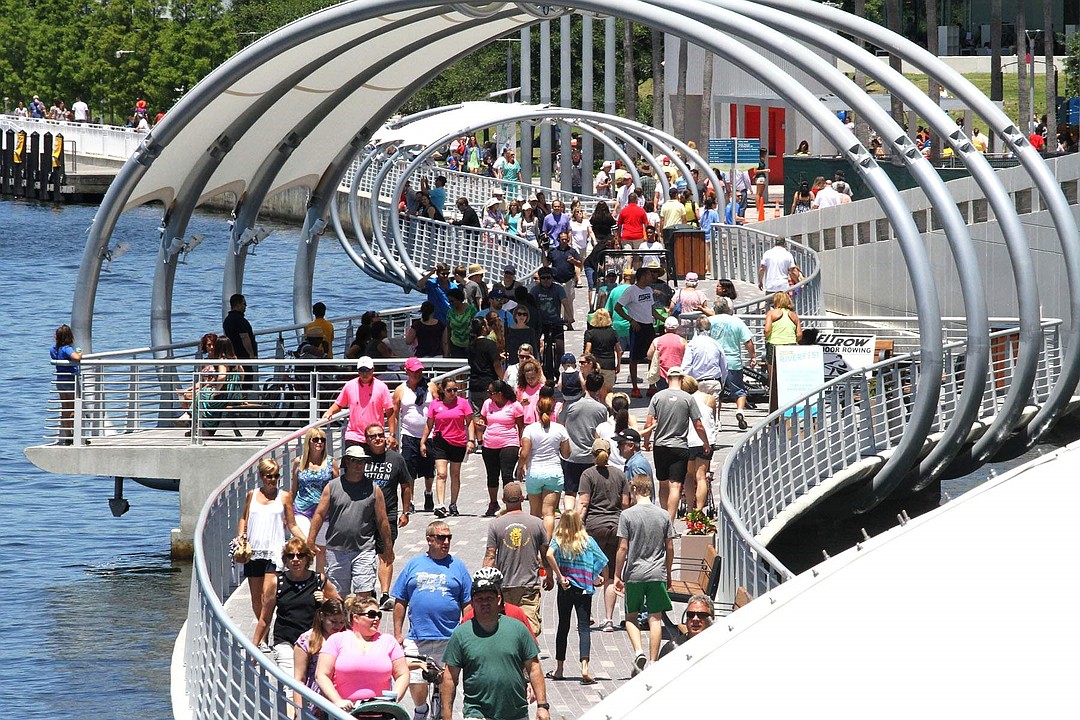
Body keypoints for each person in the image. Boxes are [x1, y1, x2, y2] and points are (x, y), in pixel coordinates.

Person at [441, 570, 550, 720]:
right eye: (479, 599)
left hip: (515, 712)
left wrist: (542, 706)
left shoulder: (517, 629)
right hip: (476, 712)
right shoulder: (461, 634)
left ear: (498, 599)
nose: (485, 603)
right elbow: (450, 677)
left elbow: (534, 667)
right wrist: (447, 716)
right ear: (472, 603)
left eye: (489, 598)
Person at [392, 520, 472, 720]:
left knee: (448, 682)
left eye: (449, 537)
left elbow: (468, 603)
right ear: (429, 539)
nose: (446, 541)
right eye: (441, 537)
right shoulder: (413, 564)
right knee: (415, 678)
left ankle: (445, 714)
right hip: (418, 637)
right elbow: (400, 600)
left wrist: (466, 630)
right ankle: (421, 709)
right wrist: (397, 633)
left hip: (449, 638)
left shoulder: (458, 566)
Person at [306, 445, 395, 597]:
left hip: (364, 550)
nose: (359, 465)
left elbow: (382, 520)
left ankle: (360, 621)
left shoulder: (374, 489)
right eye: (355, 461)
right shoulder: (332, 487)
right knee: (337, 596)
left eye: (362, 461)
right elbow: (319, 514)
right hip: (336, 551)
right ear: (347, 462)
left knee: (364, 595)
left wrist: (388, 547)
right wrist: (310, 540)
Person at [615, 474, 677, 676]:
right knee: (655, 618)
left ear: (634, 488)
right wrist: (668, 572)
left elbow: (623, 548)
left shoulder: (627, 516)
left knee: (631, 616)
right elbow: (670, 547)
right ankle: (653, 661)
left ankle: (639, 651)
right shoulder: (663, 515)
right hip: (657, 572)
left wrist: (617, 574)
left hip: (635, 573)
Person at [253, 538, 340, 671]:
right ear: (285, 559)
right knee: (291, 683)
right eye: (290, 555)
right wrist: (254, 647)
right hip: (285, 640)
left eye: (300, 555)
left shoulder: (319, 580)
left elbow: (340, 606)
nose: (295, 559)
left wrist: (325, 601)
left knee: (315, 683)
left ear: (307, 559)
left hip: (314, 638)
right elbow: (265, 618)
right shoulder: (277, 583)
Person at [545, 507, 608, 684]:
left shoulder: (559, 539)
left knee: (563, 626)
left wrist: (560, 575)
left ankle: (559, 668)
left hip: (565, 588)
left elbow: (549, 554)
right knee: (584, 627)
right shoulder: (588, 540)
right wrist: (593, 577)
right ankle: (585, 668)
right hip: (583, 589)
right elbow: (602, 559)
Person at [316, 593, 409, 713]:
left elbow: (403, 674)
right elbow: (322, 675)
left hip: (380, 712)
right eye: (371, 615)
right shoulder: (337, 640)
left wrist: (393, 700)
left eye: (378, 615)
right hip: (344, 712)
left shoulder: (388, 641)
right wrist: (337, 701)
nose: (376, 618)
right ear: (356, 618)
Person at [238, 458, 304, 621]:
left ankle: (263, 633)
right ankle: (263, 638)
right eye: (269, 476)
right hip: (253, 553)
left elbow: (292, 524)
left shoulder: (285, 497)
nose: (273, 480)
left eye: (276, 476)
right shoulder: (251, 495)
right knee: (256, 599)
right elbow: (243, 519)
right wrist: (241, 537)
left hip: (274, 553)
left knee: (268, 597)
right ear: (261, 476)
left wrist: (306, 541)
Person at [642, 368, 711, 522]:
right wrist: (705, 443)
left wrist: (646, 441)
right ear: (681, 379)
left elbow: (649, 422)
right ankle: (669, 522)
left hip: (660, 445)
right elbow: (698, 425)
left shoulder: (657, 397)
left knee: (663, 484)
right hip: (679, 446)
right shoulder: (688, 398)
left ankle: (662, 519)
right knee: (675, 486)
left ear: (667, 379)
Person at [576, 437, 630, 633]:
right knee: (612, 575)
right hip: (616, 527)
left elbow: (583, 503)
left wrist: (576, 525)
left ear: (593, 454)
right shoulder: (619, 474)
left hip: (593, 528)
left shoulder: (588, 474)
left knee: (589, 573)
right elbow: (625, 504)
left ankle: (587, 616)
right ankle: (608, 619)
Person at [483, 482, 549, 635]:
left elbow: (490, 555)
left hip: (504, 584)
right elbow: (545, 554)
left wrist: (486, 582)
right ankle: (527, 653)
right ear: (523, 498)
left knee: (506, 625)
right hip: (529, 584)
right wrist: (550, 576)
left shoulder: (496, 524)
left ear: (503, 499)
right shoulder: (537, 523)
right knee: (530, 626)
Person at [362, 423, 413, 611]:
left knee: (386, 554)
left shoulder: (396, 459)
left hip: (388, 515)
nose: (377, 438)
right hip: (363, 515)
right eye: (373, 436)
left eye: (380, 435)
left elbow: (406, 486)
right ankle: (368, 591)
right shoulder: (361, 459)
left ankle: (384, 594)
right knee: (365, 555)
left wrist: (405, 512)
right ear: (367, 440)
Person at [421, 377, 476, 518]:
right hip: (440, 442)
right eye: (449, 390)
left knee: (455, 473)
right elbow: (429, 424)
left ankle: (453, 503)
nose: (453, 393)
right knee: (441, 473)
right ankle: (440, 504)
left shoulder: (463, 403)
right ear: (443, 391)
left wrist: (471, 440)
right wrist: (423, 441)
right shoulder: (435, 404)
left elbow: (470, 422)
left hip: (458, 442)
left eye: (455, 390)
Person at [518, 395, 571, 538]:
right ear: (553, 410)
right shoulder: (560, 429)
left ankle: (535, 544)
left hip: (534, 472)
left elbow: (524, 454)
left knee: (534, 513)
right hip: (553, 473)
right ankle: (546, 544)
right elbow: (566, 454)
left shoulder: (529, 429)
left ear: (537, 409)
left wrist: (519, 468)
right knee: (549, 513)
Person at [391, 357, 436, 513]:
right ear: (407, 371)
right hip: (409, 433)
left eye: (420, 371)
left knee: (429, 468)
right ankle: (410, 500)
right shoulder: (400, 390)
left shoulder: (430, 386)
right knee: (409, 468)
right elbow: (394, 414)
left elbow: (438, 406)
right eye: (415, 371)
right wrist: (393, 435)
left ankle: (429, 493)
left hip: (429, 434)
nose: (418, 374)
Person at [323, 356, 396, 453]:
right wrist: (329, 412)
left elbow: (390, 411)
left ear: (373, 370)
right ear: (358, 371)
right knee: (354, 464)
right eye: (362, 371)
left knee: (373, 467)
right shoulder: (349, 385)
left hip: (375, 436)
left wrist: (392, 435)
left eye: (367, 370)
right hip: (354, 435)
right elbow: (339, 404)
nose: (365, 374)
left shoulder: (382, 387)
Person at [559, 372, 609, 509]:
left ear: (585, 385)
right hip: (591, 456)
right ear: (599, 388)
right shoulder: (602, 409)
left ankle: (569, 519)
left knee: (570, 492)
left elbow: (559, 421)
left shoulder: (571, 406)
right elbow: (602, 430)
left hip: (572, 455)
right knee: (588, 493)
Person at [292, 427, 339, 572]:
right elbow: (294, 488)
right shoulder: (298, 462)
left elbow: (337, 487)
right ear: (308, 442)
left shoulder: (331, 462)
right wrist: (286, 512)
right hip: (302, 509)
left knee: (321, 551)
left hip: (324, 511)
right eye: (316, 439)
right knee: (304, 545)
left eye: (322, 440)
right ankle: (302, 578)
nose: (319, 443)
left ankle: (319, 583)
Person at [707, 297, 756, 430]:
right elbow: (748, 341)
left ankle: (716, 420)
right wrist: (753, 356)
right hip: (733, 361)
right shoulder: (736, 321)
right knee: (739, 390)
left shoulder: (709, 321)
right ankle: (740, 410)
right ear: (728, 308)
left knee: (717, 393)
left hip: (714, 362)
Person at [294, 598, 348, 716]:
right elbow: (299, 679)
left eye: (342, 622)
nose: (337, 626)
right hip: (317, 696)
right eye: (333, 621)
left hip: (343, 694)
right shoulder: (307, 640)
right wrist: (299, 710)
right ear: (322, 616)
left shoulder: (348, 637)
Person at [615, 267, 664, 398]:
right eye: (650, 274)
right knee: (634, 358)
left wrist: (663, 319)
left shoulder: (648, 290)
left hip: (649, 326)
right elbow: (618, 307)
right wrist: (631, 320)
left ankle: (651, 385)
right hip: (637, 327)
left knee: (652, 356)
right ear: (643, 276)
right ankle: (635, 387)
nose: (653, 276)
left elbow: (651, 309)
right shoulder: (631, 291)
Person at [478, 381, 525, 517]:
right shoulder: (487, 403)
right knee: (492, 475)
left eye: (491, 392)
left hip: (509, 443)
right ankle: (493, 503)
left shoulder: (514, 406)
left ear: (500, 393)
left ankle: (511, 505)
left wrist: (521, 445)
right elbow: (483, 419)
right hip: (489, 444)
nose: (488, 395)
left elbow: (521, 426)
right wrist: (481, 424)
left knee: (507, 474)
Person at [679, 375, 716, 515]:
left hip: (687, 440)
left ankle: (689, 509)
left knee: (688, 475)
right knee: (701, 476)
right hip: (704, 440)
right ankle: (699, 511)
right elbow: (713, 419)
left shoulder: (683, 401)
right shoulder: (709, 399)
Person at [531, 266, 574, 378]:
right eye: (543, 278)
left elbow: (565, 302)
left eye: (548, 278)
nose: (546, 280)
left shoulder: (558, 288)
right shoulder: (535, 290)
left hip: (555, 321)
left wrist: (570, 316)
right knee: (535, 342)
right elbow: (530, 305)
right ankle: (538, 363)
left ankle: (556, 367)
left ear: (552, 278)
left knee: (560, 347)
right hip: (541, 322)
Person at [764, 291, 803, 413]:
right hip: (790, 346)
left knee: (773, 376)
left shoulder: (772, 313)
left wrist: (767, 337)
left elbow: (767, 330)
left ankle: (774, 404)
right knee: (788, 375)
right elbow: (799, 334)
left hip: (775, 344)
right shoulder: (794, 316)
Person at [681, 315, 728, 397]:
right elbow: (724, 366)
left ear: (697, 329)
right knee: (713, 408)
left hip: (697, 382)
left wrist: (686, 384)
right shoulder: (716, 344)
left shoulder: (692, 344)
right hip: (714, 382)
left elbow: (686, 366)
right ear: (710, 328)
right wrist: (722, 382)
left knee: (698, 408)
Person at [50, 324, 82, 444]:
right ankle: (74, 434)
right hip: (70, 380)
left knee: (65, 408)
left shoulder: (53, 349)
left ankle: (67, 435)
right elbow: (76, 358)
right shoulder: (67, 348)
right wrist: (79, 352)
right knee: (73, 408)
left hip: (60, 381)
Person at [657, 593, 715, 659]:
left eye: (701, 615)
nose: (695, 619)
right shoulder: (671, 649)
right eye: (691, 614)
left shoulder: (721, 645)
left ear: (712, 618)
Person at [466, 317, 502, 410]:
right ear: (483, 328)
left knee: (477, 415)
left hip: (474, 385)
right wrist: (502, 378)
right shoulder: (490, 344)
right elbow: (496, 365)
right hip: (489, 384)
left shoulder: (470, 345)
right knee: (490, 412)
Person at [584, 308, 621, 393]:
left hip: (596, 365)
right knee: (608, 391)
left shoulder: (590, 333)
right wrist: (618, 364)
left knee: (595, 391)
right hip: (609, 365)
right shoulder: (613, 332)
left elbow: (587, 352)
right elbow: (619, 350)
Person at [222, 293, 258, 378]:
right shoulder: (241, 321)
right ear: (238, 304)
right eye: (244, 304)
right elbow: (245, 338)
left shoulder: (227, 320)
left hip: (232, 355)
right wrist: (251, 354)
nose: (245, 306)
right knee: (246, 380)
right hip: (243, 356)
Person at [647, 316, 687, 392]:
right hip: (678, 373)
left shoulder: (657, 340)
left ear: (665, 327)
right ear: (677, 328)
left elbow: (649, 356)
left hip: (662, 375)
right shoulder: (682, 341)